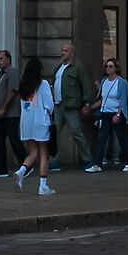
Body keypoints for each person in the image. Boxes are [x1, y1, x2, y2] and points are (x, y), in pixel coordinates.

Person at [15, 57, 56, 195]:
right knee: (44, 154)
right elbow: (49, 105)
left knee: (33, 152)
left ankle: (21, 171)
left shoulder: (23, 85)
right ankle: (42, 186)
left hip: (26, 121)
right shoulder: (43, 84)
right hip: (40, 121)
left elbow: (24, 105)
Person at [52, 39, 93, 172]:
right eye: (62, 50)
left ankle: (88, 159)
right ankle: (54, 160)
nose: (63, 53)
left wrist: (87, 103)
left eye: (66, 51)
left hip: (71, 106)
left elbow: (86, 85)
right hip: (57, 105)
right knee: (54, 133)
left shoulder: (78, 67)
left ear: (72, 53)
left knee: (76, 132)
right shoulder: (59, 68)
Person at [0, 50, 18, 178]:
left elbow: (12, 91)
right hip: (0, 115)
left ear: (8, 60)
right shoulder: (1, 74)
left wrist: (3, 108)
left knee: (14, 140)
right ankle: (0, 169)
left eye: (1, 59)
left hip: (10, 114)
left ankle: (26, 164)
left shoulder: (12, 72)